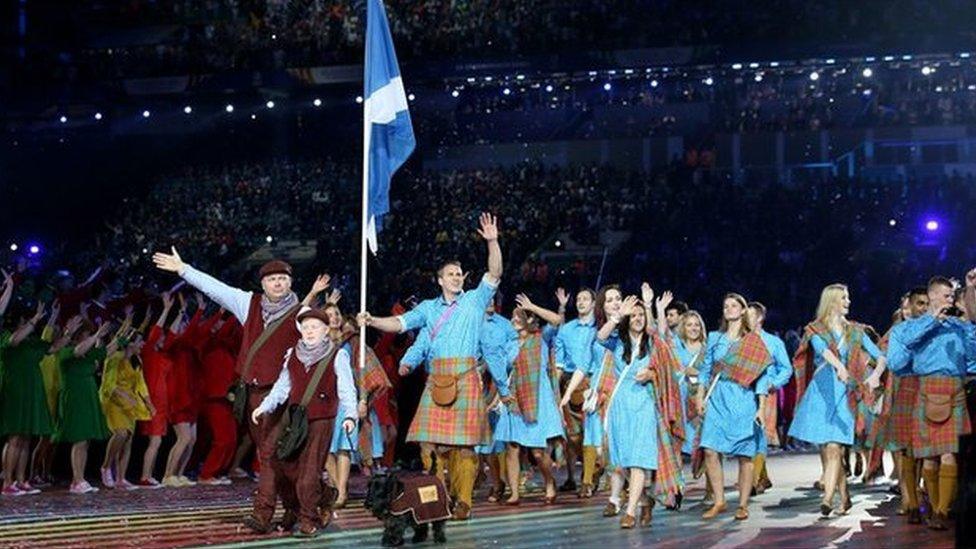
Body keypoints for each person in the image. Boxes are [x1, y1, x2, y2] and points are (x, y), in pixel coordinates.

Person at [153, 247, 325, 532]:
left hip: (285, 395)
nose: (278, 283)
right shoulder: (249, 304)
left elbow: (318, 350)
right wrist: (184, 270)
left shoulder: (303, 314)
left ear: (291, 282)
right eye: (272, 279)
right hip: (254, 394)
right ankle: (297, 507)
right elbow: (215, 289)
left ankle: (264, 514)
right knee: (274, 455)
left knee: (271, 454)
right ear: (262, 284)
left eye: (283, 278)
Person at [357, 213, 505, 521]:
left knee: (464, 448)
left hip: (465, 378)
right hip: (436, 381)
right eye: (450, 273)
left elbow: (495, 272)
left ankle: (463, 501)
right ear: (439, 280)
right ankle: (445, 491)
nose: (456, 276)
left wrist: (492, 242)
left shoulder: (475, 301)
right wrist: (372, 320)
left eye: (459, 273)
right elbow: (399, 324)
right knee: (431, 445)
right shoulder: (427, 308)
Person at [251, 306, 357, 537]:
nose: (309, 331)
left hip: (321, 420)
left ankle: (309, 519)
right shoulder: (293, 354)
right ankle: (323, 496)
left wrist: (350, 416)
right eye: (306, 327)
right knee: (284, 467)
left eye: (315, 327)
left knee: (309, 473)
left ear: (325, 329)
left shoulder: (337, 354)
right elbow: (282, 386)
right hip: (295, 419)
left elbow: (347, 389)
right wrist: (264, 406)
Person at [788, 284, 886, 517]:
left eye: (848, 298)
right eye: (844, 298)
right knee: (830, 449)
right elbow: (822, 351)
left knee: (835, 448)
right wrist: (839, 366)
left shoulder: (857, 331)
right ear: (831, 301)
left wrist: (875, 375)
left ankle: (827, 498)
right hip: (821, 393)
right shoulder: (815, 329)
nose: (848, 302)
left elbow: (880, 356)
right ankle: (845, 497)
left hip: (846, 395)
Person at [886, 275, 976, 530]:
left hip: (955, 390)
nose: (951, 300)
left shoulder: (957, 327)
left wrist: (971, 289)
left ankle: (940, 511)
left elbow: (973, 340)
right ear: (934, 296)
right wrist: (930, 322)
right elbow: (896, 362)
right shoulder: (906, 329)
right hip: (920, 389)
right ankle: (918, 504)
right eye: (947, 296)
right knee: (924, 456)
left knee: (948, 453)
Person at [696, 293, 791, 521]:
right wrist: (700, 397)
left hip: (743, 398)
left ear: (742, 310)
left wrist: (760, 407)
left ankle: (742, 503)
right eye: (725, 306)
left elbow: (761, 377)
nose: (728, 309)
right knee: (709, 448)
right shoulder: (714, 338)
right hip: (718, 397)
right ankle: (719, 500)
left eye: (733, 305)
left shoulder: (754, 342)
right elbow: (705, 369)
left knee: (744, 455)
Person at [595, 296, 685, 528]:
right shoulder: (617, 341)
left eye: (641, 315)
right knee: (621, 461)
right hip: (619, 406)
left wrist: (652, 375)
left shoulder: (655, 343)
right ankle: (645, 501)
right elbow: (600, 336)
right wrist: (617, 316)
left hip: (644, 405)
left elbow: (669, 372)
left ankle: (630, 511)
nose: (637, 319)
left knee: (638, 461)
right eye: (633, 316)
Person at [493, 296, 565, 506]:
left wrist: (532, 305)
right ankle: (514, 492)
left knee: (537, 452)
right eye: (513, 316)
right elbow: (502, 370)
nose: (515, 319)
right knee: (512, 447)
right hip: (514, 399)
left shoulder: (541, 338)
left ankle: (549, 481)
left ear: (530, 319)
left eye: (520, 316)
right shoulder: (509, 344)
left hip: (537, 398)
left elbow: (556, 320)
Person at [559, 284, 623, 499]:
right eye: (610, 300)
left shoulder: (627, 327)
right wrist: (567, 394)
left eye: (617, 299)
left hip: (620, 389)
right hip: (595, 389)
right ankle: (591, 477)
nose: (614, 303)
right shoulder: (597, 332)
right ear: (602, 305)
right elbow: (584, 364)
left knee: (615, 440)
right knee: (593, 443)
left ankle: (621, 489)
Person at [55, 317, 117, 494]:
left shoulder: (88, 354)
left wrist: (120, 337)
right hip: (74, 397)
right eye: (86, 335)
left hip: (87, 397)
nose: (88, 338)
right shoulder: (66, 350)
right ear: (77, 336)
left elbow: (106, 351)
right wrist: (97, 334)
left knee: (85, 441)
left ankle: (79, 479)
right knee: (79, 439)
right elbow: (78, 350)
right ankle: (77, 480)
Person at [0, 300, 55, 496]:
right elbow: (14, 339)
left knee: (25, 437)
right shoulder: (7, 337)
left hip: (31, 394)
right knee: (15, 437)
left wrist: (64, 328)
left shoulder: (31, 343)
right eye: (25, 321)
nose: (29, 325)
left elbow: (52, 348)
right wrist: (35, 319)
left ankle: (21, 480)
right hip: (15, 392)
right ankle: (7, 482)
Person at [552, 288, 597, 494]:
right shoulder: (566, 330)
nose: (581, 302)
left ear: (594, 303)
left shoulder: (601, 328)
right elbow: (559, 364)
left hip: (594, 383)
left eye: (585, 299)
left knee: (593, 435)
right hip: (571, 385)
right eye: (578, 298)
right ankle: (587, 471)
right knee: (573, 436)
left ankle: (588, 480)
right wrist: (556, 391)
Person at [747, 302, 793, 496]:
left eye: (748, 315)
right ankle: (763, 477)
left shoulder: (774, 342)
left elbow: (787, 368)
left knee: (760, 434)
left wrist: (774, 383)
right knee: (750, 435)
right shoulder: (740, 341)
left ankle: (753, 480)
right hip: (743, 393)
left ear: (759, 318)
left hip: (766, 393)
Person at [100, 328, 155, 490]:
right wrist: (123, 395)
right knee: (121, 433)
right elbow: (108, 384)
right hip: (115, 402)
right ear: (130, 343)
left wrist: (149, 403)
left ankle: (121, 478)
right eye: (139, 341)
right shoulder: (115, 358)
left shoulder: (137, 360)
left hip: (130, 403)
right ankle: (106, 466)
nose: (142, 344)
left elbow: (141, 384)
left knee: (128, 440)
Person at [137, 293, 175, 488]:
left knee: (157, 442)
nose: (162, 336)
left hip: (162, 403)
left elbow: (173, 335)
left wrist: (182, 313)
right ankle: (145, 476)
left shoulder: (163, 354)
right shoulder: (150, 352)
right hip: (152, 402)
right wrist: (167, 309)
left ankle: (149, 475)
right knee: (155, 441)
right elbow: (156, 330)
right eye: (160, 335)